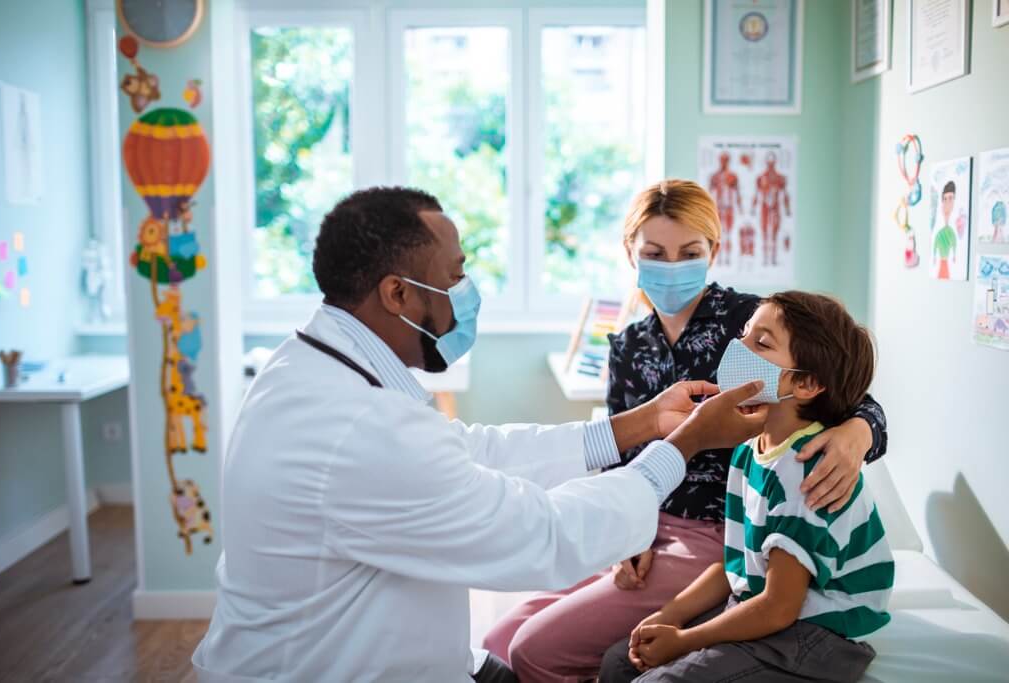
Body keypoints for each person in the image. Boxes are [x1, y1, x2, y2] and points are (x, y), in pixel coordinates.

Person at [190, 186, 770, 683]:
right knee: (518, 646)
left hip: (366, 653)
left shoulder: (311, 371)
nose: (468, 292)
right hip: (329, 667)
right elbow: (545, 536)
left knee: (517, 653)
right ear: (398, 294)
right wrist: (683, 444)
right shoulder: (357, 428)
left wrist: (641, 424)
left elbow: (472, 449)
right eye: (457, 275)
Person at [483, 180, 888, 682]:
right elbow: (619, 453)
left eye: (689, 252)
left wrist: (857, 434)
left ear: (713, 251)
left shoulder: (751, 321)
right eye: (654, 252)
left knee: (535, 649)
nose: (671, 266)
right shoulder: (630, 345)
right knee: (498, 642)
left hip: (719, 533)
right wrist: (627, 528)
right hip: (646, 523)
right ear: (630, 253)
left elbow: (847, 394)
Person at [600, 291, 893, 682]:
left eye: (762, 343)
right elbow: (736, 565)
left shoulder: (805, 470)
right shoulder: (748, 452)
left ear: (806, 383)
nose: (738, 348)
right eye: (744, 334)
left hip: (816, 634)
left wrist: (685, 640)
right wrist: (671, 615)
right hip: (765, 603)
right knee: (618, 662)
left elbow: (779, 607)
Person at [933, 181, 958, 279]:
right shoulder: (938, 230)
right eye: (945, 199)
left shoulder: (953, 231)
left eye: (950, 198)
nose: (947, 203)